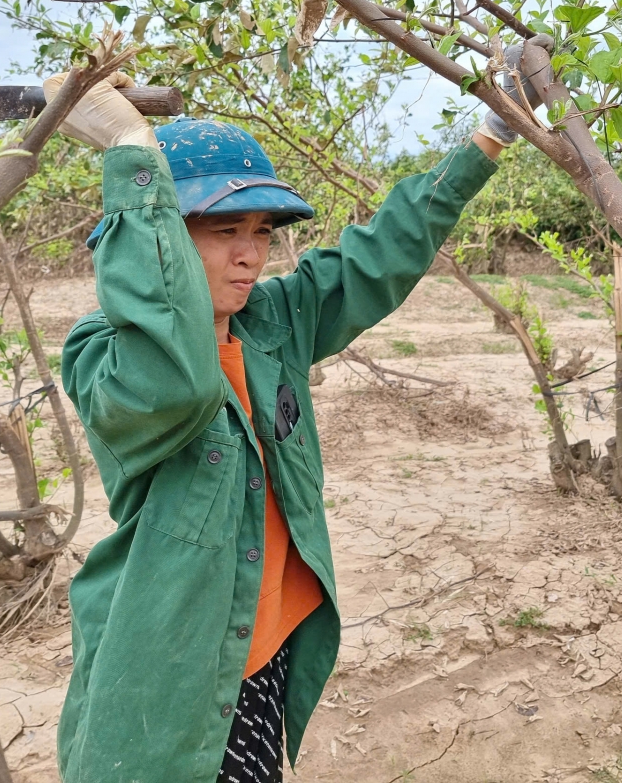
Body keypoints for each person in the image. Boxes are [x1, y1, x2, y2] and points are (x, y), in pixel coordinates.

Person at [49, 40, 548, 783]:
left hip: (264, 651)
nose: (250, 256)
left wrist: (493, 131)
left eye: (261, 233)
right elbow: (179, 380)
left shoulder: (272, 322)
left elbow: (379, 254)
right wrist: (129, 149)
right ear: (161, 233)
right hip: (169, 680)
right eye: (223, 231)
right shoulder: (103, 354)